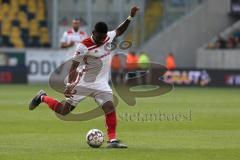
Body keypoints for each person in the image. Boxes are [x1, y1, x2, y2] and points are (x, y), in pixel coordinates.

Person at [29, 6, 139, 148]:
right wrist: (69, 85)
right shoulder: (83, 46)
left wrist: (130, 17)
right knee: (64, 111)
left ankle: (113, 140)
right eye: (99, 38)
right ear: (93, 33)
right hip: (84, 82)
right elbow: (74, 67)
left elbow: (119, 30)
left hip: (101, 83)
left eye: (103, 38)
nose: (101, 41)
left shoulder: (108, 37)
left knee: (110, 107)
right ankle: (42, 97)